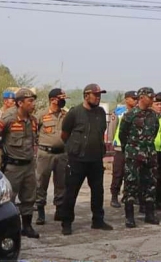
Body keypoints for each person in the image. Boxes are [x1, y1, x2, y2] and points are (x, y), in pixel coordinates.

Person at [59, 84, 113, 235]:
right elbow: (64, 135)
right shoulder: (75, 113)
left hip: (95, 160)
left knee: (98, 192)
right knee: (71, 192)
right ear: (86, 95)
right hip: (77, 159)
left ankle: (98, 220)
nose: (98, 97)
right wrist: (74, 148)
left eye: (99, 95)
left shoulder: (101, 113)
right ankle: (67, 222)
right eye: (95, 94)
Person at [0, 88, 41, 238]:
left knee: (29, 197)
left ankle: (27, 226)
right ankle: (7, 229)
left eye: (33, 101)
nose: (33, 104)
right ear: (20, 103)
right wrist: (4, 152)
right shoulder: (7, 118)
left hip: (29, 165)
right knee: (9, 199)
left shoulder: (33, 120)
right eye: (30, 101)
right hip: (13, 166)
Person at [118, 87, 160, 228]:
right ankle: (130, 216)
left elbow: (154, 132)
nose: (153, 99)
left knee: (150, 184)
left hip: (149, 154)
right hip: (134, 154)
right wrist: (131, 148)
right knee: (131, 184)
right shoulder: (130, 115)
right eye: (150, 97)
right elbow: (122, 135)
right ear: (142, 97)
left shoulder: (153, 115)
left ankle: (149, 214)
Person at [34, 89, 69, 225]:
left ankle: (59, 210)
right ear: (53, 100)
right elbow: (33, 131)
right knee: (41, 182)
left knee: (61, 183)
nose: (63, 100)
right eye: (61, 98)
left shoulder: (66, 115)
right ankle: (41, 211)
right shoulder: (41, 115)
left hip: (62, 154)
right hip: (45, 154)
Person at [107, 90, 137, 208]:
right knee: (118, 173)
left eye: (136, 99)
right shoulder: (119, 112)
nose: (135, 101)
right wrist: (114, 144)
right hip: (120, 148)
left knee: (131, 173)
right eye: (133, 99)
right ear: (126, 99)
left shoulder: (138, 113)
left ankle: (128, 195)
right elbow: (113, 129)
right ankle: (114, 196)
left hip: (133, 148)